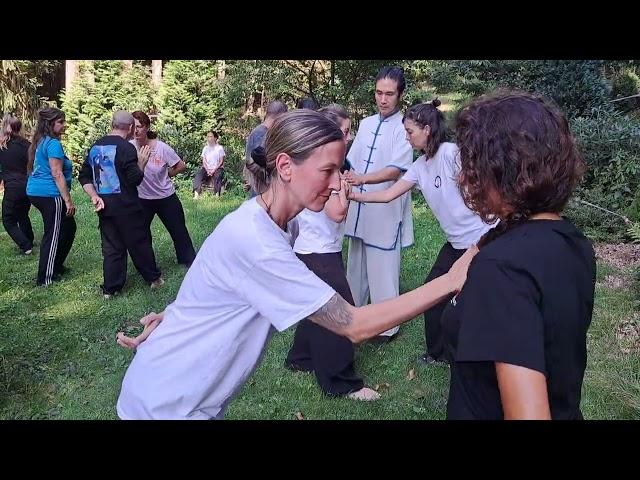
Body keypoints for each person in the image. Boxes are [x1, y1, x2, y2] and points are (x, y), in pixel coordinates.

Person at [115, 110, 477, 420]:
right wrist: (449, 280)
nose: (339, 183)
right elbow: (354, 324)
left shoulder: (282, 223)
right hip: (164, 404)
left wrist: (174, 316)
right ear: (285, 166)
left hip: (184, 399)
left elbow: (208, 278)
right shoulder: (256, 240)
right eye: (329, 170)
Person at [441, 90, 596, 420]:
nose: (462, 176)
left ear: (501, 169)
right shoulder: (572, 240)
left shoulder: (501, 269)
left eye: (471, 163)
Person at [347, 100, 494, 365]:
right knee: (434, 294)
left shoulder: (450, 153)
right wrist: (354, 195)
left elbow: (479, 181)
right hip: (455, 242)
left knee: (473, 301)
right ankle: (438, 354)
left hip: (482, 239)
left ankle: (477, 355)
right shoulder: (419, 166)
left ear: (427, 129)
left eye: (410, 131)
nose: (406, 137)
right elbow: (389, 194)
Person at [284, 104, 378, 401]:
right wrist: (344, 192)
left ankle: (301, 359)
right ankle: (341, 381)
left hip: (319, 247)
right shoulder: (324, 170)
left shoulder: (320, 163)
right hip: (316, 251)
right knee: (340, 311)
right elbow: (337, 213)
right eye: (345, 131)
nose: (349, 137)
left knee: (314, 306)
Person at [342, 65, 414, 342]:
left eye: (389, 94)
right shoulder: (367, 123)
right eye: (379, 93)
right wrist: (347, 174)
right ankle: (355, 313)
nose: (383, 99)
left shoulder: (404, 128)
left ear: (400, 95)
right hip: (359, 206)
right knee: (356, 263)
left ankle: (387, 327)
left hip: (385, 206)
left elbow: (395, 170)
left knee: (383, 266)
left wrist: (361, 179)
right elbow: (354, 158)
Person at [78, 111, 163, 298]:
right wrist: (142, 163)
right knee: (139, 243)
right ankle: (154, 279)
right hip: (127, 207)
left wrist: (94, 196)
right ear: (131, 128)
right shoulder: (127, 148)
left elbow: (84, 176)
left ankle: (111, 288)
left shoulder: (95, 147)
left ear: (112, 124)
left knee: (111, 248)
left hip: (105, 207)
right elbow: (134, 180)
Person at [131, 111, 196, 268]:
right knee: (141, 234)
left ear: (147, 127)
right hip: (142, 198)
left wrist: (167, 174)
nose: (136, 131)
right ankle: (147, 267)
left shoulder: (161, 148)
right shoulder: (129, 147)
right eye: (133, 127)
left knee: (178, 230)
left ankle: (189, 260)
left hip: (165, 197)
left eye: (139, 127)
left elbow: (181, 165)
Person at [26, 107, 76, 286]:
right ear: (50, 123)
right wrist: (68, 200)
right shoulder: (53, 144)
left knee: (69, 227)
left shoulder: (40, 140)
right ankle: (45, 278)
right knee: (53, 234)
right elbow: (57, 173)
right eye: (60, 122)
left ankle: (56, 265)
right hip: (49, 194)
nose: (64, 125)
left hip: (35, 191)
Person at [0, 114, 34, 255]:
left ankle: (25, 245)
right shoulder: (27, 145)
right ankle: (29, 240)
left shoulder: (2, 146)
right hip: (27, 185)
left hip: (13, 186)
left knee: (8, 219)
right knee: (22, 214)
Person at [243, 100, 288, 198]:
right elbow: (260, 164)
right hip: (261, 190)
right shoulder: (260, 134)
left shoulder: (263, 132)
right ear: (280, 116)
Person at [193, 130, 225, 199]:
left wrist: (214, 170)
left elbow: (221, 161)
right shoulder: (205, 148)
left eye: (210, 136)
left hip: (217, 168)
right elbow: (204, 161)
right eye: (207, 137)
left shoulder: (219, 148)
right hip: (206, 168)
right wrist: (207, 169)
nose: (208, 138)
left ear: (215, 138)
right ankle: (196, 195)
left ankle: (216, 195)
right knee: (198, 175)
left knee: (217, 176)